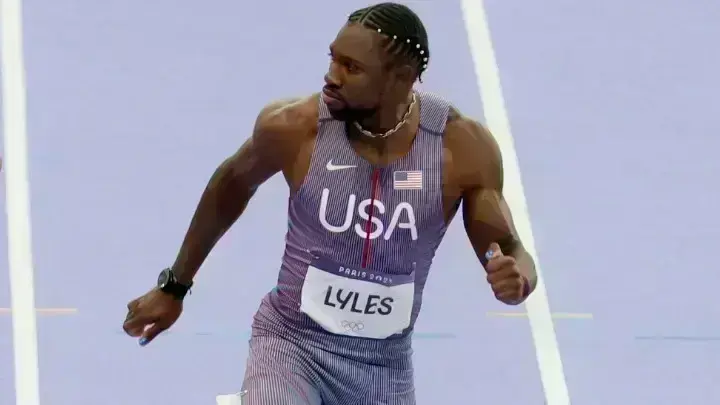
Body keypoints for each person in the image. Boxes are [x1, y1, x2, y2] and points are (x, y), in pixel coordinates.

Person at [122, 2, 537, 404]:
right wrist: (174, 286)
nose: (331, 76)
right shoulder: (294, 128)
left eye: (351, 68)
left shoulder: (460, 150)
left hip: (383, 367)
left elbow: (509, 249)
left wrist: (517, 280)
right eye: (333, 59)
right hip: (290, 344)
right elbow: (230, 186)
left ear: (402, 77)